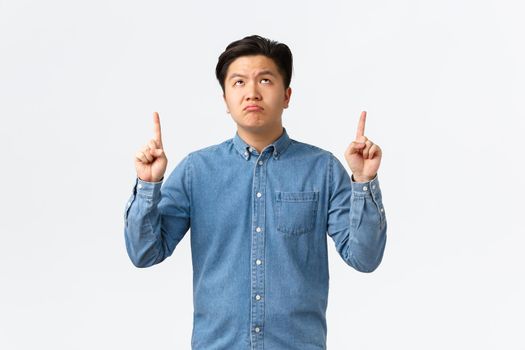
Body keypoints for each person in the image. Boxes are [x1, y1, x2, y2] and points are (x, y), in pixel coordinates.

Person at [124, 34, 387, 350]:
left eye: (265, 80)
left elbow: (364, 257)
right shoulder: (196, 171)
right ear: (225, 100)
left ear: (287, 95)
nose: (251, 92)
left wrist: (363, 182)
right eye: (238, 83)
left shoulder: (323, 170)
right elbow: (144, 253)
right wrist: (149, 185)